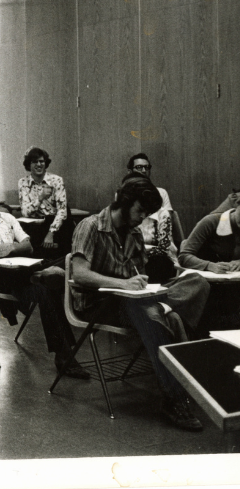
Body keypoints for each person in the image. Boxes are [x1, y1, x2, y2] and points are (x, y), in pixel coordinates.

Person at [70, 175, 211, 431]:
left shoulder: (134, 232)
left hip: (132, 300)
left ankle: (164, 307)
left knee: (198, 282)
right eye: (140, 210)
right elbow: (79, 273)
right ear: (125, 202)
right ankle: (174, 399)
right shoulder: (89, 226)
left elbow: (137, 272)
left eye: (147, 213)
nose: (143, 218)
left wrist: (140, 282)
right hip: (100, 302)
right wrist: (123, 284)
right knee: (163, 316)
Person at [0, 177, 88, 378]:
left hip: (18, 272)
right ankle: (43, 271)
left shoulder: (7, 218)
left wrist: (10, 247)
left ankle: (64, 356)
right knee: (44, 268)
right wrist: (16, 247)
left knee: (46, 290)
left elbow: (29, 245)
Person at [178, 203, 240, 330]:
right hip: (207, 289)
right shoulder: (211, 222)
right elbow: (184, 256)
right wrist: (209, 265)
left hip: (233, 287)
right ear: (237, 204)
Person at [121, 172, 178, 284]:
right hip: (133, 260)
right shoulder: (124, 213)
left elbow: (163, 249)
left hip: (158, 260)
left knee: (159, 262)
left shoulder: (162, 213)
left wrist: (139, 250)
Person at [18, 147, 73, 258]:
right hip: (34, 225)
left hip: (56, 224)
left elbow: (62, 211)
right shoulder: (23, 182)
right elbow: (25, 212)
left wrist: (51, 232)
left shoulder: (57, 180)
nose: (39, 164)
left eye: (41, 161)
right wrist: (40, 198)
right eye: (35, 162)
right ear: (29, 164)